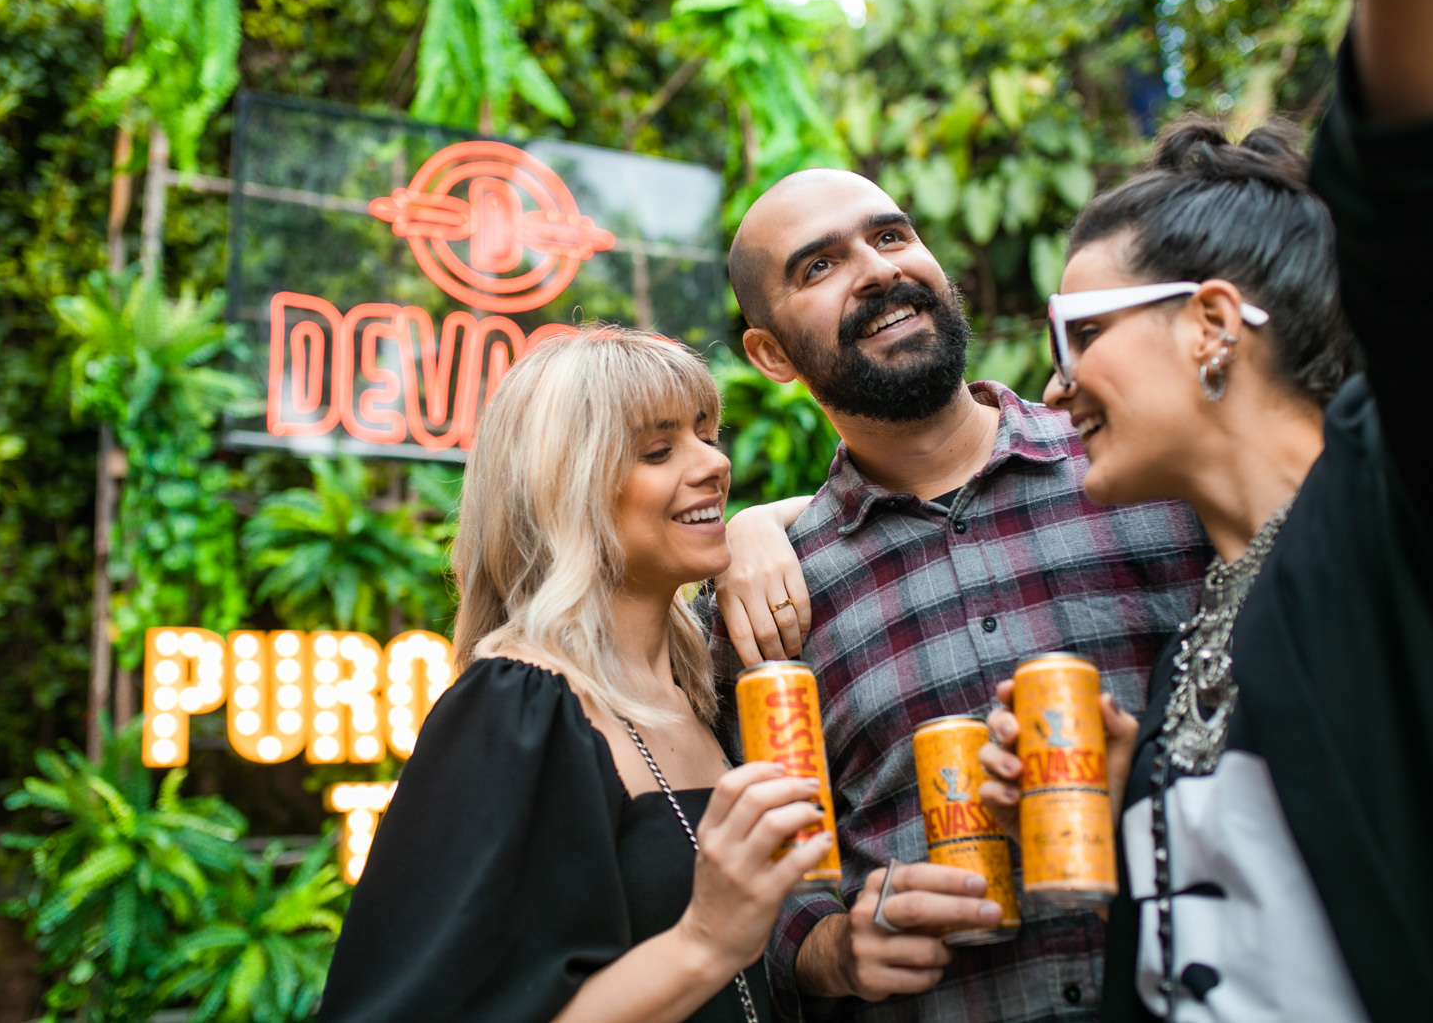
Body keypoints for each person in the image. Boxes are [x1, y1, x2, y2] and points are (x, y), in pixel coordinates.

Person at [977, 0, 1433, 1018]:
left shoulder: (1412, 497)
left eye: (1079, 334)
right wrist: (1142, 795)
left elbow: (1429, 169)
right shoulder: (1193, 644)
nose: (1054, 384)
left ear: (1212, 322)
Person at [709, 166, 1209, 1021]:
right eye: (819, 265)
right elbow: (748, 867)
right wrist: (830, 949)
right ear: (771, 356)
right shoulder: (769, 600)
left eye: (891, 235)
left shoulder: (1147, 468)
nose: (877, 269)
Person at [316, 327, 834, 1023]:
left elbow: (860, 500)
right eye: (658, 450)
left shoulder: (704, 686)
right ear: (567, 490)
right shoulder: (515, 709)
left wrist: (756, 524)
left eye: (707, 435)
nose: (714, 463)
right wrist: (704, 942)